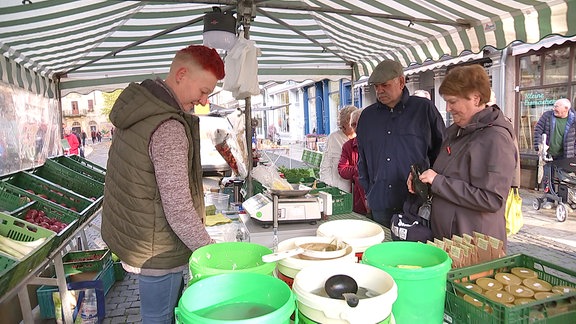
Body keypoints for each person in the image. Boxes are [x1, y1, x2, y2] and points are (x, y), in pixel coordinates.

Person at [101, 45, 224, 323]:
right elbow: (178, 209)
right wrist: (210, 250)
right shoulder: (168, 127)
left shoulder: (141, 109)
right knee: (159, 318)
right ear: (181, 74)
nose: (204, 101)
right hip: (160, 247)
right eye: (203, 91)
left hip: (140, 237)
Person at [408, 64, 517, 249]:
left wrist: (438, 182)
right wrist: (423, 178)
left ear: (475, 98)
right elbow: (448, 172)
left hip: (475, 245)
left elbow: (492, 199)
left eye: (452, 101)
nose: (448, 108)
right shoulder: (456, 131)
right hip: (451, 239)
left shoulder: (495, 139)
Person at [356, 60, 445, 228]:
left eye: (385, 85)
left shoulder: (424, 110)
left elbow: (441, 152)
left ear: (401, 82)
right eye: (376, 86)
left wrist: (430, 188)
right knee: (382, 252)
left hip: (416, 203)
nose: (379, 90)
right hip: (380, 202)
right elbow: (363, 160)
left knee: (415, 253)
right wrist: (369, 191)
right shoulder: (367, 118)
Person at [533, 98, 576, 208]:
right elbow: (538, 130)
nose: (554, 108)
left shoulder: (574, 120)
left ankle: (565, 201)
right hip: (549, 153)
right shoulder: (547, 116)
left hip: (566, 155)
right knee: (548, 177)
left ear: (566, 109)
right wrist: (539, 147)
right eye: (554, 106)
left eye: (557, 106)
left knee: (565, 179)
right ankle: (549, 200)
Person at [319, 105, 359, 192]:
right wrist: (328, 186)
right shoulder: (333, 138)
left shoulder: (361, 137)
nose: (352, 126)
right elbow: (325, 165)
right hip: (338, 187)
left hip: (357, 190)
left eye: (355, 123)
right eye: (349, 122)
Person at [338, 109, 369, 215]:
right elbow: (342, 170)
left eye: (359, 123)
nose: (356, 128)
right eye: (353, 125)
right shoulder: (348, 146)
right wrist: (359, 168)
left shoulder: (378, 143)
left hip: (379, 198)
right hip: (359, 200)